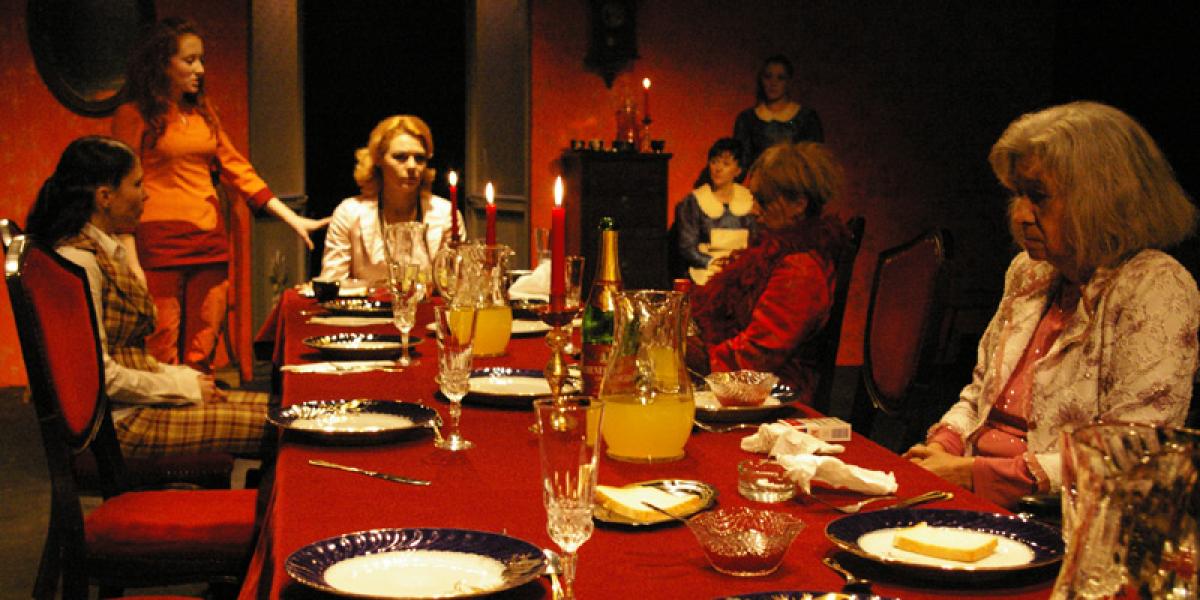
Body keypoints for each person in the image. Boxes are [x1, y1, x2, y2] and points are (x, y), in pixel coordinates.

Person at [904, 101, 1199, 509]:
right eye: (1018, 195)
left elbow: (1134, 454)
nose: (1022, 215)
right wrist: (943, 445)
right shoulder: (1030, 272)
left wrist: (973, 475)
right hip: (974, 491)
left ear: (1102, 198)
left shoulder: (1155, 285)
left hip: (1061, 517)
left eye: (1038, 197)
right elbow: (979, 395)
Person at [25, 136, 267, 457]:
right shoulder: (79, 260)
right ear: (105, 196)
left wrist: (183, 377)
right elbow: (98, 377)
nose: (146, 194)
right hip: (121, 424)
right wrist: (181, 387)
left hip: (140, 406)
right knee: (282, 427)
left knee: (278, 410)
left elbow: (131, 355)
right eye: (137, 184)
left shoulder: (106, 249)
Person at [112, 17, 328, 371]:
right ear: (163, 63)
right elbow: (121, 185)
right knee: (162, 339)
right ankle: (168, 402)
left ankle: (203, 399)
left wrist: (292, 218)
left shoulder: (203, 114)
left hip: (208, 241)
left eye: (202, 60)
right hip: (159, 242)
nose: (200, 69)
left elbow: (238, 169)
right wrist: (127, 251)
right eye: (189, 60)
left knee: (205, 338)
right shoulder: (134, 115)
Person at [688, 142, 851, 404]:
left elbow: (757, 355)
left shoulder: (800, 268)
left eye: (763, 201)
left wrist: (693, 358)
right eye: (754, 199)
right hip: (747, 386)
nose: (754, 210)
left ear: (798, 204)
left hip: (779, 395)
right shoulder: (773, 255)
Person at [318, 114, 466, 281]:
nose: (412, 166)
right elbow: (332, 282)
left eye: (419, 158)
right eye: (400, 157)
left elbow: (455, 284)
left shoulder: (446, 214)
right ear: (378, 160)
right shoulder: (349, 213)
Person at [673, 138, 758, 284]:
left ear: (738, 170)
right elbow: (687, 246)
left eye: (725, 164)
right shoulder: (694, 201)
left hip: (742, 269)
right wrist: (711, 262)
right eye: (714, 162)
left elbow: (756, 242)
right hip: (707, 270)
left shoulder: (749, 200)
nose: (718, 169)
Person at [732, 55, 824, 171]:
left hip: (795, 180)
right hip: (761, 180)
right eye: (768, 77)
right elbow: (741, 164)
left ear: (789, 82)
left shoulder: (806, 118)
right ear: (761, 80)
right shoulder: (747, 119)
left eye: (780, 78)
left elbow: (815, 162)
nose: (773, 83)